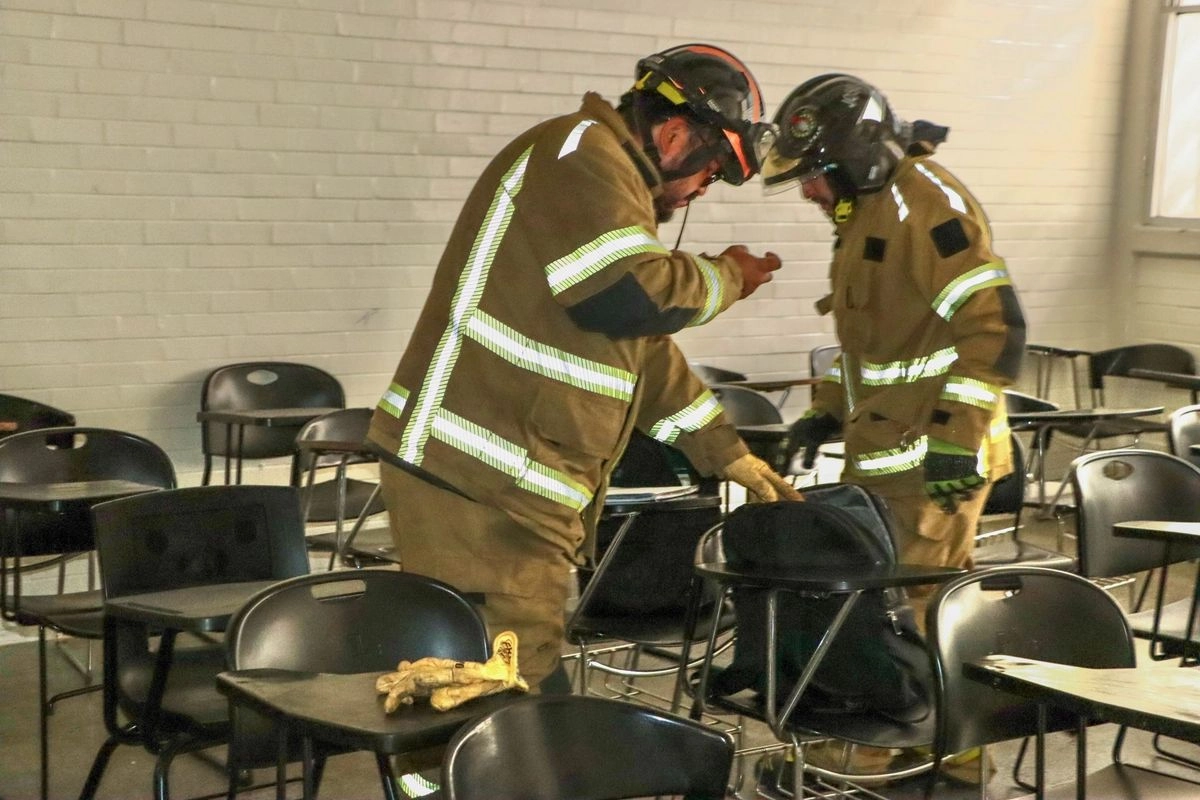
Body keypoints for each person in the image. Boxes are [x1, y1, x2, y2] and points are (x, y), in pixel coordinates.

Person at [366, 43, 801, 702]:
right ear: (675, 136)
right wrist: (728, 276)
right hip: (481, 484)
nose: (699, 192)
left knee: (486, 681)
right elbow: (629, 296)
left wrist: (724, 453)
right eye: (710, 171)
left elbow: (640, 347)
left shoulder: (599, 182)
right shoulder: (580, 154)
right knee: (510, 685)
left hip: (502, 484)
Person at [763, 73, 1026, 785]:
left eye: (815, 175)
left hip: (934, 455)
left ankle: (877, 751)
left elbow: (995, 329)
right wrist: (825, 408)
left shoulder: (927, 208)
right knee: (922, 598)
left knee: (902, 602)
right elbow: (873, 343)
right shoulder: (869, 212)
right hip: (891, 450)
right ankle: (949, 743)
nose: (808, 192)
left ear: (856, 159)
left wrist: (954, 440)